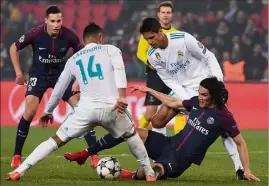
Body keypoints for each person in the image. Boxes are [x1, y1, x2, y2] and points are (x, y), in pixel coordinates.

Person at [65, 17, 245, 180]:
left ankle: (239, 168)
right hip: (184, 91)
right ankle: (162, 151)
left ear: (160, 32)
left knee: (222, 126)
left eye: (151, 38)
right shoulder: (153, 56)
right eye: (146, 40)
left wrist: (217, 83)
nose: (150, 43)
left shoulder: (183, 39)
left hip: (206, 87)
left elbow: (209, 57)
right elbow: (169, 79)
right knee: (157, 121)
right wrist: (183, 100)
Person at [7, 22, 156, 182]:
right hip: (111, 108)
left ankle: (19, 171)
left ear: (84, 41)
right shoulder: (111, 50)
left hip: (85, 110)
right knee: (132, 135)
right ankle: (149, 173)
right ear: (100, 37)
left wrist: (48, 111)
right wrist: (122, 96)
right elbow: (119, 70)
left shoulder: (73, 59)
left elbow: (58, 89)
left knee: (54, 141)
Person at [67, 77, 261, 182]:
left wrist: (246, 170)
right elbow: (174, 102)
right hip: (168, 143)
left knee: (152, 173)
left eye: (204, 95)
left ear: (214, 95)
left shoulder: (224, 117)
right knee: (129, 130)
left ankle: (132, 174)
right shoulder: (196, 103)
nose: (200, 97)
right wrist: (151, 91)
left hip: (178, 161)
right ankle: (86, 153)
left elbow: (241, 143)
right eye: (199, 93)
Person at [9, 5, 99, 168]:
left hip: (61, 76)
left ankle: (94, 155)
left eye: (59, 20)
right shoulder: (36, 34)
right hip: (39, 75)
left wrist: (78, 80)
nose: (56, 24)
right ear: (46, 21)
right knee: (29, 111)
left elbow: (82, 56)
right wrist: (19, 73)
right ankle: (16, 155)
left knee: (81, 109)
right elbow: (13, 48)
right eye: (53, 21)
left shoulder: (69, 35)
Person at [137, 1, 185, 135]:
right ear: (158, 14)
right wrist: (155, 65)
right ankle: (135, 137)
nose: (165, 15)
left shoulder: (177, 34)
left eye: (168, 12)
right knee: (150, 113)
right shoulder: (148, 33)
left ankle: (179, 143)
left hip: (173, 75)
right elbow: (141, 53)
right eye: (163, 12)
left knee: (180, 110)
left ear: (172, 15)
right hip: (155, 75)